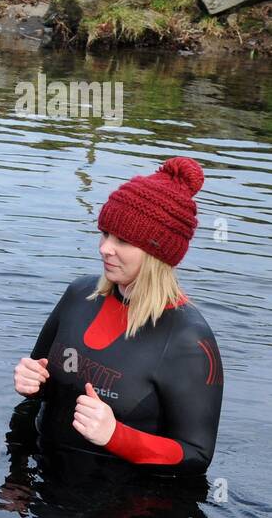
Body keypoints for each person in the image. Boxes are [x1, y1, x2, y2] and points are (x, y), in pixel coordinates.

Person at [12, 157, 223, 473]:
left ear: (157, 253)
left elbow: (195, 455)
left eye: (122, 240)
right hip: (42, 479)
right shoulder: (78, 295)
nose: (104, 248)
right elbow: (43, 382)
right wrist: (32, 381)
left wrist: (116, 436)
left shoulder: (189, 340)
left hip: (123, 503)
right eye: (105, 233)